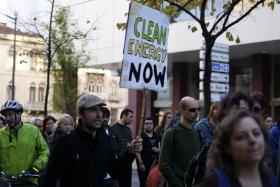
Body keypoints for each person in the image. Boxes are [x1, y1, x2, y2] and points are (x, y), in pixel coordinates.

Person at [41, 93, 121, 187]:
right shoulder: (65, 144)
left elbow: (116, 172)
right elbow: (49, 180)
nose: (99, 114)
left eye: (100, 109)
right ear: (80, 114)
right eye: (93, 110)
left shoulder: (104, 142)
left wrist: (130, 153)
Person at [197, 110, 277, 187]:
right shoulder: (214, 182)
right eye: (241, 136)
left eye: (256, 133)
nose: (252, 140)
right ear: (227, 147)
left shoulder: (270, 179)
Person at [0, 100, 49, 186]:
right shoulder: (1, 133)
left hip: (28, 180)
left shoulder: (33, 130)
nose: (7, 118)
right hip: (6, 181)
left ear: (19, 114)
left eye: (10, 115)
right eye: (5, 116)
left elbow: (45, 152)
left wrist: (36, 167)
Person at [159, 96, 201, 187]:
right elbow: (163, 165)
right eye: (192, 110)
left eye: (198, 109)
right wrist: (178, 184)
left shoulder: (198, 132)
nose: (197, 112)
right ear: (182, 110)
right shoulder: (171, 133)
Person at [111, 108, 143, 187]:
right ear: (124, 116)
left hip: (128, 165)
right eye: (130, 117)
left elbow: (130, 147)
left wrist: (135, 145)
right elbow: (114, 149)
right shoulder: (113, 129)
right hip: (117, 166)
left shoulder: (128, 129)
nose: (132, 119)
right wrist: (128, 145)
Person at [136, 117, 160, 187]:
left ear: (153, 125)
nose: (148, 125)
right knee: (144, 183)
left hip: (155, 165)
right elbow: (137, 151)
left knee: (154, 184)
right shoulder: (140, 137)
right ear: (144, 125)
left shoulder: (157, 136)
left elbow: (161, 148)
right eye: (146, 123)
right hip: (144, 165)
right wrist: (140, 164)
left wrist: (158, 150)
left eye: (150, 123)